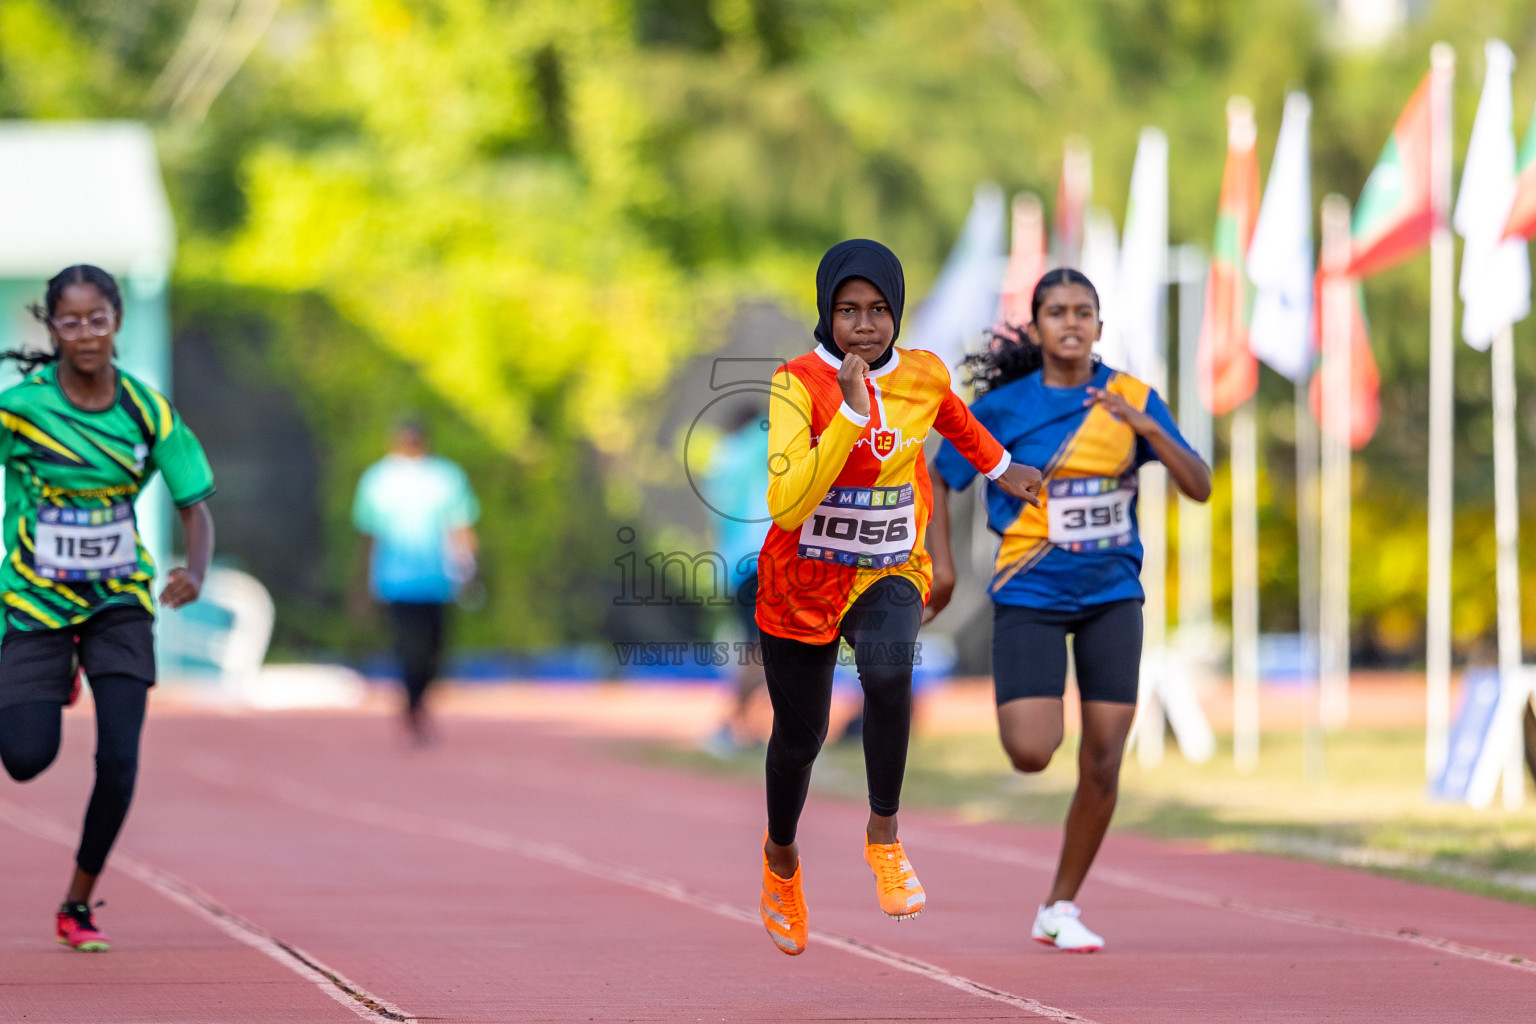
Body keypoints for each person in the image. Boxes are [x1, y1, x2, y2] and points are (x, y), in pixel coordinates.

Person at [755, 239, 1043, 956]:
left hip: (889, 569)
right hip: (803, 582)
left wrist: (1005, 470)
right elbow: (788, 507)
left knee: (889, 676)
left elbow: (956, 421)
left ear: (897, 313)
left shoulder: (922, 374)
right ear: (826, 313)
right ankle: (781, 858)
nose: (863, 326)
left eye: (878, 310)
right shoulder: (795, 384)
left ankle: (883, 833)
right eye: (848, 311)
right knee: (801, 740)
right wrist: (850, 416)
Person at [927, 268, 1211, 952]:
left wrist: (1150, 430)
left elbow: (1198, 484)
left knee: (1104, 760)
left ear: (1101, 327)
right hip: (1029, 592)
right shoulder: (1003, 410)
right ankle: (1055, 888)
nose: (1072, 322)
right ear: (1039, 325)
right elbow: (940, 472)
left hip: (1113, 592)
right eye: (1058, 311)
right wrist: (941, 565)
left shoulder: (1133, 398)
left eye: (1085, 311)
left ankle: (1060, 904)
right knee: (1031, 752)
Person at [0, 265, 216, 952]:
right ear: (52, 327)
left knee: (120, 759)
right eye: (71, 320)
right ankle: (53, 672)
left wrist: (196, 571)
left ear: (116, 320)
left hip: (119, 600)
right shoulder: (20, 410)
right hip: (34, 601)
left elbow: (196, 508)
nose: (86, 333)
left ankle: (78, 903)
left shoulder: (147, 412)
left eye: (98, 319)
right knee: (27, 758)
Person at [351, 418, 479, 745]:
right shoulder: (379, 479)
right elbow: (368, 536)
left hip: (438, 580)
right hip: (396, 581)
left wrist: (468, 570)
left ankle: (419, 700)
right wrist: (362, 585)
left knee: (436, 649)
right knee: (408, 648)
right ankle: (413, 706)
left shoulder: (446, 478)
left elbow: (460, 528)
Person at [697, 401, 771, 756]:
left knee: (757, 648)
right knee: (764, 650)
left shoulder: (719, 457)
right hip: (760, 559)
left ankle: (747, 727)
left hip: (732, 566)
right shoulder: (754, 444)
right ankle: (729, 725)